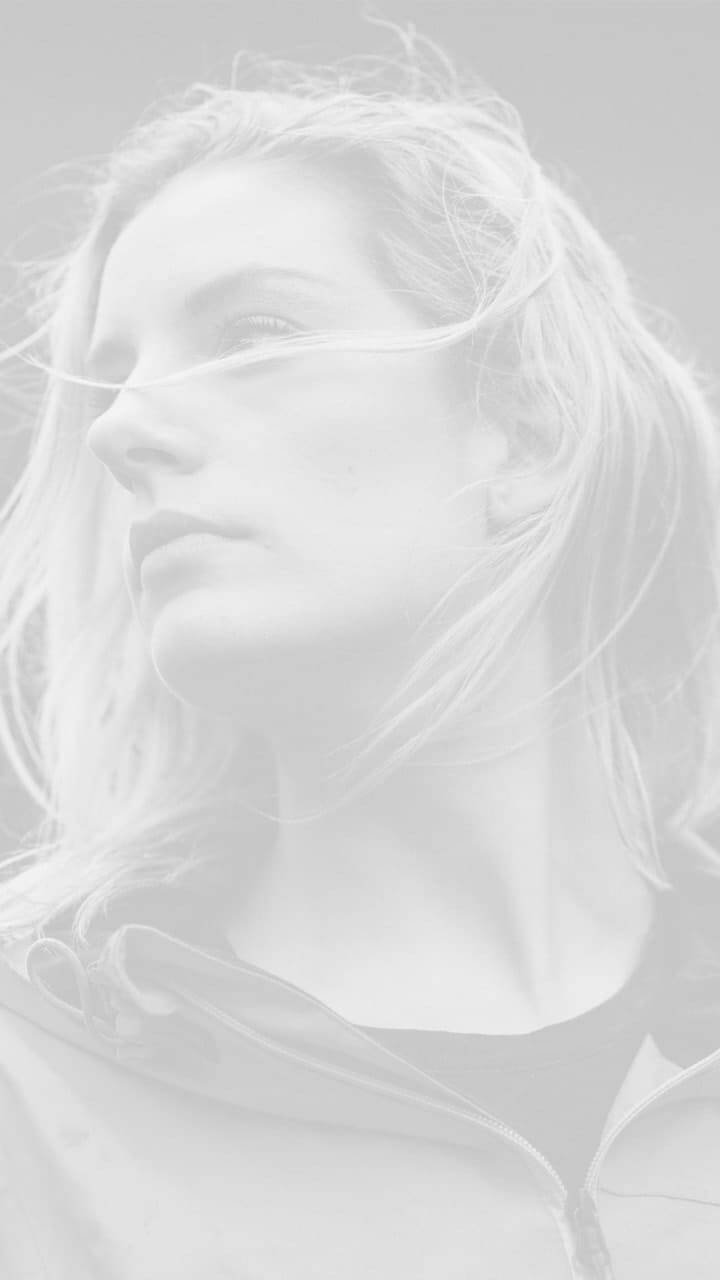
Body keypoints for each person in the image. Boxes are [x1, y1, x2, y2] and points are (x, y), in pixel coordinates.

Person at [0, 31, 719, 1280]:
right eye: (110, 379)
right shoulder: (30, 1098)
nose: (121, 430)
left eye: (251, 331)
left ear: (532, 427)